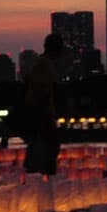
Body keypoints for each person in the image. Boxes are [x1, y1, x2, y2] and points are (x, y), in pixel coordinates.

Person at [21, 32, 64, 175]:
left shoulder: (42, 63)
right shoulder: (44, 65)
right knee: (48, 150)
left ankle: (38, 181)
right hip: (42, 116)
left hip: (39, 116)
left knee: (42, 151)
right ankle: (43, 184)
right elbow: (42, 93)